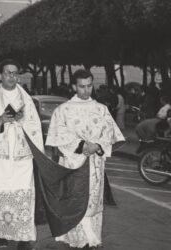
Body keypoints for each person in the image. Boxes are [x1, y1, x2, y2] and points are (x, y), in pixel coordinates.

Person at [46, 69, 124, 250]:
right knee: (75, 201)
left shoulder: (101, 109)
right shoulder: (63, 110)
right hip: (73, 165)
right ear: (74, 86)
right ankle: (76, 239)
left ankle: (92, 239)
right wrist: (81, 146)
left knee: (93, 202)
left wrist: (97, 146)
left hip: (95, 165)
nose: (86, 90)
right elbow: (58, 136)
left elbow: (110, 133)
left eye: (89, 86)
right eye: (82, 86)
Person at [0, 59, 44, 250]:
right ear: (0, 76)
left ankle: (23, 237)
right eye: (7, 73)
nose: (11, 76)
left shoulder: (26, 99)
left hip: (22, 159)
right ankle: (1, 237)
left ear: (18, 76)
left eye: (14, 73)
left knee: (24, 193)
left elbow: (35, 128)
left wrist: (21, 123)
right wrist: (1, 121)